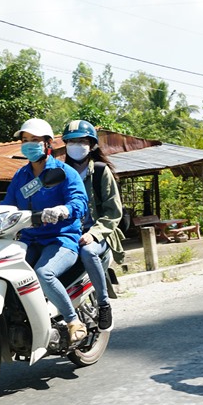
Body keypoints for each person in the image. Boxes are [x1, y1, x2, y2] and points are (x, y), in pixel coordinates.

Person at [0, 118, 89, 343]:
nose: (29, 144)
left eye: (35, 140)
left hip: (61, 239)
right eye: (25, 140)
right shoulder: (21, 176)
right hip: (29, 239)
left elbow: (80, 202)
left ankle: (72, 320)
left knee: (43, 273)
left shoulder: (64, 172)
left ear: (48, 144)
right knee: (5, 272)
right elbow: (8, 204)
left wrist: (63, 210)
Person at [61, 119, 125, 331]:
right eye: (71, 141)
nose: (76, 145)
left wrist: (94, 233)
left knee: (88, 252)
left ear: (91, 144)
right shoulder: (60, 173)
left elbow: (113, 212)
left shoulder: (99, 171)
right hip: (68, 234)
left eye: (81, 140)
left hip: (98, 235)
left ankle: (103, 303)